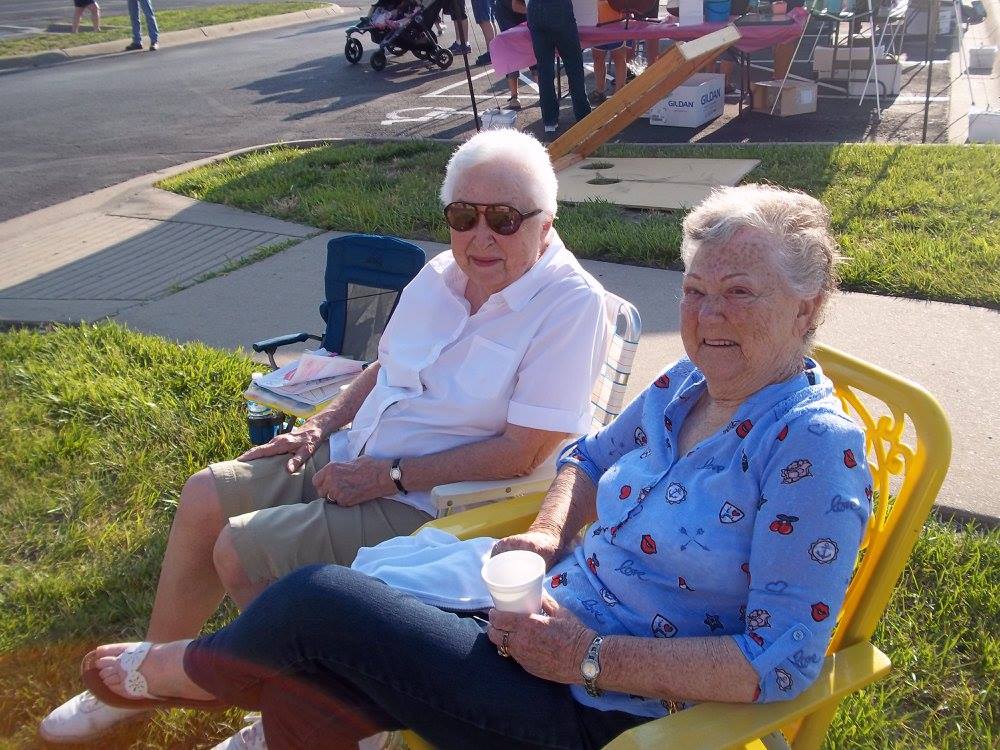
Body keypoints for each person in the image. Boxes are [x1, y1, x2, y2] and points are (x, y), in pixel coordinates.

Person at [64, 184, 873, 750]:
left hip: (611, 711)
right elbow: (588, 457)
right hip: (539, 629)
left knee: (317, 603)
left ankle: (180, 670)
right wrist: (546, 537)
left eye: (739, 292)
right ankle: (234, 685)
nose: (706, 315)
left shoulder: (813, 449)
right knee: (314, 688)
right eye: (694, 291)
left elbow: (781, 659)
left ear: (808, 307)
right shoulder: (686, 385)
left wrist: (588, 656)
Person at [39, 128, 613, 745]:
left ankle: (307, 710)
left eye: (503, 219)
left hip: (437, 498)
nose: (480, 236)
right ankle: (147, 679)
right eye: (462, 216)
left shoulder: (571, 305)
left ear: (546, 223)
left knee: (242, 548)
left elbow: (523, 452)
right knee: (206, 493)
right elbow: (385, 368)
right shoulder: (441, 275)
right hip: (355, 456)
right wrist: (318, 426)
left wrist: (389, 476)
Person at [527, 0, 592, 133]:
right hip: (558, 9)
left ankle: (549, 121)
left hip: (534, 9)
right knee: (574, 66)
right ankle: (583, 115)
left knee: (544, 70)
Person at [492, 0, 536, 109]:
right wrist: (537, 11)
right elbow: (516, 6)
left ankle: (544, 92)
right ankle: (514, 96)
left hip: (526, 7)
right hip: (506, 10)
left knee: (533, 46)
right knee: (511, 50)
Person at [589, 41, 629, 105]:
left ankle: (619, 95)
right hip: (598, 35)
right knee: (597, 57)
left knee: (619, 57)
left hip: (616, 35)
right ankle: (599, 92)